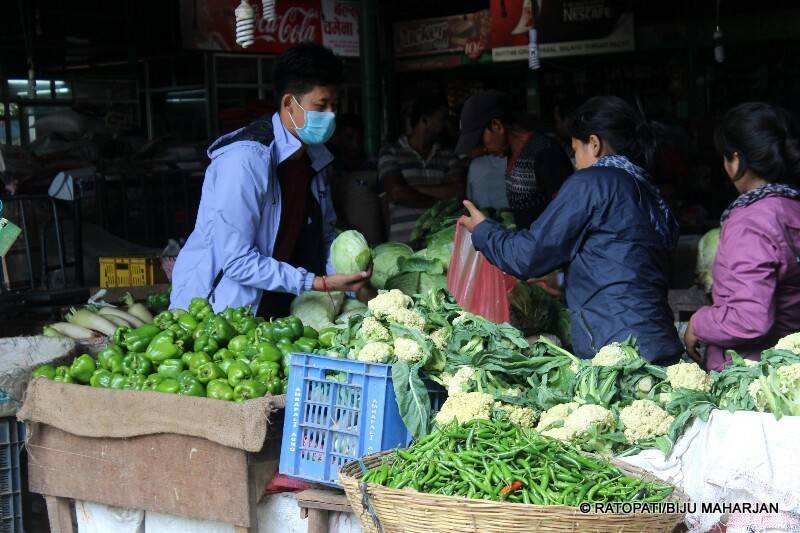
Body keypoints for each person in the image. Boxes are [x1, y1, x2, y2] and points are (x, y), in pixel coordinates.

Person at [459, 96, 682, 363]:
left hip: (619, 349)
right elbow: (622, 263)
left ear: (595, 144)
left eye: (575, 151)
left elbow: (527, 255)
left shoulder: (592, 183)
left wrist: (483, 231)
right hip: (657, 339)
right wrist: (565, 280)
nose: (574, 163)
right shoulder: (643, 187)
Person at [170, 43, 373, 315]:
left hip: (276, 307)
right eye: (321, 106)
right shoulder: (245, 160)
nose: (330, 116)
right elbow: (238, 261)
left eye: (334, 105)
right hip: (214, 313)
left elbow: (324, 239)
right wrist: (315, 282)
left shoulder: (316, 160)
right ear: (289, 104)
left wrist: (351, 279)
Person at [684, 102, 800, 370]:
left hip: (752, 375)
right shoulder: (792, 206)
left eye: (726, 156)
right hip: (788, 366)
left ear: (736, 160)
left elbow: (750, 318)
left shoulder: (750, 221)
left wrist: (698, 323)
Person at [455, 91, 573, 229]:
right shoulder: (513, 153)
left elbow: (568, 213)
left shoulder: (544, 152)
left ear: (496, 126)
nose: (484, 149)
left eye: (481, 141)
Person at [379, 95, 466, 242]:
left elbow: (458, 192)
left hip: (438, 242)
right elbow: (397, 192)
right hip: (402, 244)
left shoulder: (448, 156)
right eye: (441, 119)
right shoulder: (391, 152)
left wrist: (410, 189)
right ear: (424, 120)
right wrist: (440, 203)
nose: (445, 124)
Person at [327, 114, 384, 246]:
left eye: (359, 138)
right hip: (346, 245)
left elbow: (385, 204)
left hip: (375, 241)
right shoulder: (329, 168)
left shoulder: (374, 165)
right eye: (349, 138)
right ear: (337, 139)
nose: (355, 144)